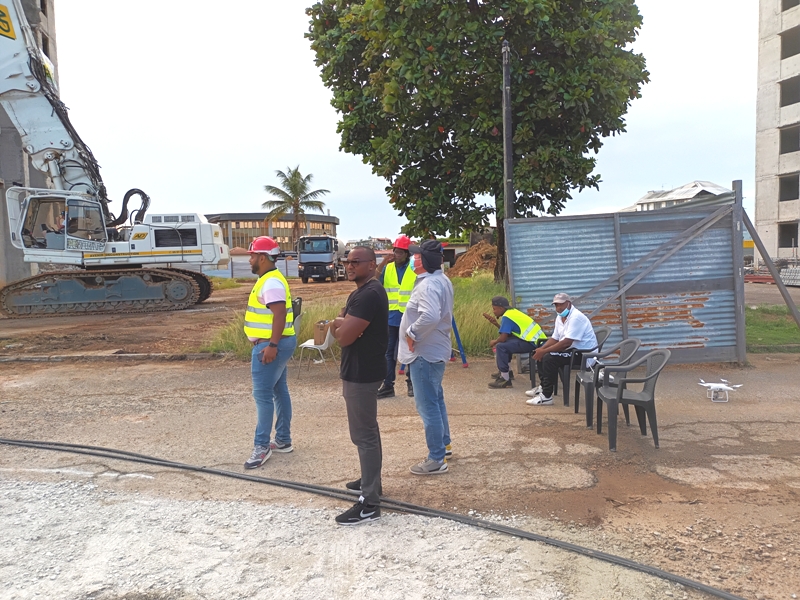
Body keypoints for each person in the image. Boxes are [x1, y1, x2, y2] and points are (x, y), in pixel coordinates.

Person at [329, 246, 389, 525]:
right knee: (368, 431)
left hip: (362, 372)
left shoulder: (368, 294)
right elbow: (342, 326)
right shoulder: (361, 292)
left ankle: (369, 504)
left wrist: (339, 324)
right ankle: (371, 481)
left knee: (363, 435)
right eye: (347, 261)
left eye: (356, 261)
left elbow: (343, 337)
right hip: (361, 369)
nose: (349, 266)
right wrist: (341, 322)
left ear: (372, 264)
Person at [398, 240, 454, 475]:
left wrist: (412, 333)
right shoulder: (439, 280)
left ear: (427, 260)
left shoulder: (429, 285)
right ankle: (444, 446)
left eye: (417, 256)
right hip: (433, 350)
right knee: (436, 400)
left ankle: (436, 459)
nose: (414, 259)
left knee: (427, 405)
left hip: (424, 353)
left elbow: (430, 316)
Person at [242, 236, 297, 469]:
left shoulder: (271, 282)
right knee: (278, 390)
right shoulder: (269, 279)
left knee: (263, 395)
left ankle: (261, 446)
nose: (250, 260)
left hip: (271, 346)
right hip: (276, 343)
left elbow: (279, 314)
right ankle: (283, 440)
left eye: (252, 255)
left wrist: (272, 345)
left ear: (263, 258)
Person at [527, 293, 597, 406]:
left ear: (568, 304)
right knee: (539, 353)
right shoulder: (560, 317)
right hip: (571, 351)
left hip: (583, 355)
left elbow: (566, 343)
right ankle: (543, 387)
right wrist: (541, 349)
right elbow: (555, 338)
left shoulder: (576, 317)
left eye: (561, 304)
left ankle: (546, 396)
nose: (558, 308)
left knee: (549, 358)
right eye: (556, 305)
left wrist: (544, 351)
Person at [376, 235, 416, 399]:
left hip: (410, 317)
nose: (396, 255)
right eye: (395, 251)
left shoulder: (414, 268)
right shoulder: (388, 268)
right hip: (391, 317)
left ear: (407, 254)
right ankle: (388, 385)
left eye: (400, 252)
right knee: (388, 352)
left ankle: (412, 384)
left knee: (411, 351)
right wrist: (383, 263)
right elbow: (374, 280)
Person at [483, 296, 547, 389]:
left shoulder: (507, 317)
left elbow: (503, 338)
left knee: (500, 346)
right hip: (538, 341)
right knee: (506, 343)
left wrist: (494, 342)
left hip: (534, 344)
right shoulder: (513, 312)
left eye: (494, 309)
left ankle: (505, 380)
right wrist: (496, 324)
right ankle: (508, 372)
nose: (493, 311)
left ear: (501, 308)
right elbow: (508, 334)